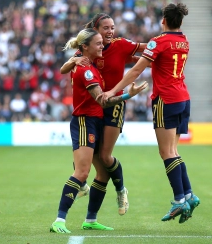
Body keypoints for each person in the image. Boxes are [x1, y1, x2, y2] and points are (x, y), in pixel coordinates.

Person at [100, 3, 200, 224]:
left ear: (163, 20)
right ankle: (189, 195)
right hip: (183, 98)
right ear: (180, 22)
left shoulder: (158, 42)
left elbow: (137, 70)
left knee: (166, 153)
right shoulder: (183, 41)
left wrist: (113, 90)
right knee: (173, 151)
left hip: (166, 99)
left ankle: (179, 200)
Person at [50, 28, 147, 233]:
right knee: (82, 172)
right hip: (86, 121)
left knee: (102, 171)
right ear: (85, 47)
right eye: (98, 43)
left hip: (94, 121)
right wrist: (127, 95)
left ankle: (91, 219)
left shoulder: (87, 63)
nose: (102, 45)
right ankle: (59, 220)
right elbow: (102, 101)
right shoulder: (86, 69)